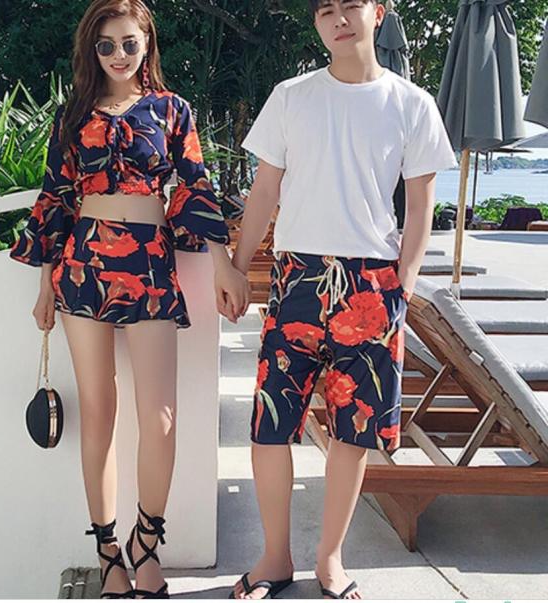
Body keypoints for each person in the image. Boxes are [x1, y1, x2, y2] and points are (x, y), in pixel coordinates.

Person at [9, 0, 249, 598]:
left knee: (159, 416)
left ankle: (147, 542)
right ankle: (106, 547)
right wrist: (44, 283)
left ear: (147, 46)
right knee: (99, 411)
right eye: (106, 45)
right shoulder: (73, 115)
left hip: (148, 264)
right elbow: (56, 196)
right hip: (83, 266)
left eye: (129, 43)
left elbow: (194, 184)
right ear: (92, 51)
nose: (118, 55)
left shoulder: (172, 110)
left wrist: (222, 261)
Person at [229, 0, 457, 599]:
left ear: (377, 12)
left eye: (351, 4)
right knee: (271, 424)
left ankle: (330, 559)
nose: (338, 18)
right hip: (297, 278)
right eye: (325, 9)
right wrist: (237, 265)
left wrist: (404, 281)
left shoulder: (412, 103)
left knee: (353, 431)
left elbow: (421, 201)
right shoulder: (292, 96)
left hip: (371, 283)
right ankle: (274, 558)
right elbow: (265, 190)